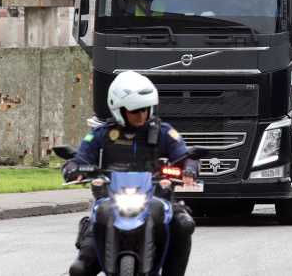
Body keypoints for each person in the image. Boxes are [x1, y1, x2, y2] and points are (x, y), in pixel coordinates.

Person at [62, 71, 198, 276]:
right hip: (112, 197)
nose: (141, 114)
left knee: (183, 223)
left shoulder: (163, 131)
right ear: (118, 109)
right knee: (82, 259)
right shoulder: (102, 134)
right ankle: (87, 260)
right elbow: (78, 159)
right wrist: (73, 170)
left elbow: (185, 155)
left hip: (156, 197)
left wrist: (189, 168)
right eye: (134, 110)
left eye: (144, 109)